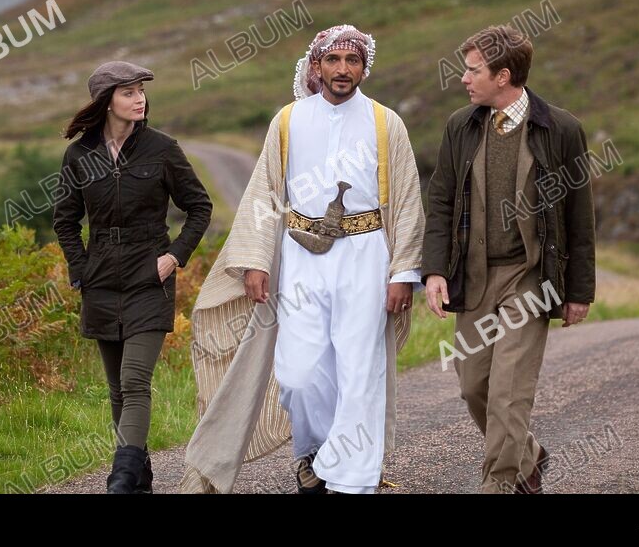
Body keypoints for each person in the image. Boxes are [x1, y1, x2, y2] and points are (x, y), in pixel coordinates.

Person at [179, 25, 424, 494]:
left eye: (352, 60)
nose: (343, 69)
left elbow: (409, 199)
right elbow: (264, 195)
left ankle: (351, 480)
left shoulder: (384, 121)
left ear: (364, 67)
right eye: (333, 60)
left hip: (365, 255)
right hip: (301, 257)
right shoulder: (288, 121)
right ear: (316, 66)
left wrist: (404, 272)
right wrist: (255, 260)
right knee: (298, 373)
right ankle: (314, 454)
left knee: (359, 367)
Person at [421, 24, 596, 494]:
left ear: (503, 76)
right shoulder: (462, 125)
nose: (463, 78)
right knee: (473, 385)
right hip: (474, 277)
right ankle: (529, 454)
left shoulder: (560, 129)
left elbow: (579, 216)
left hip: (529, 280)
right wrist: (435, 270)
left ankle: (499, 483)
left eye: (473, 70)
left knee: (507, 394)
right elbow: (439, 201)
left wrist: (579, 291)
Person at [52, 60, 212, 493]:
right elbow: (65, 221)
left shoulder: (162, 148)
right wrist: (80, 268)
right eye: (128, 91)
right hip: (100, 279)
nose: (139, 98)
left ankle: (120, 479)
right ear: (106, 102)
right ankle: (139, 475)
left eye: (141, 90)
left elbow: (200, 207)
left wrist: (174, 257)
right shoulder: (79, 155)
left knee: (135, 380)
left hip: (149, 277)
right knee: (116, 389)